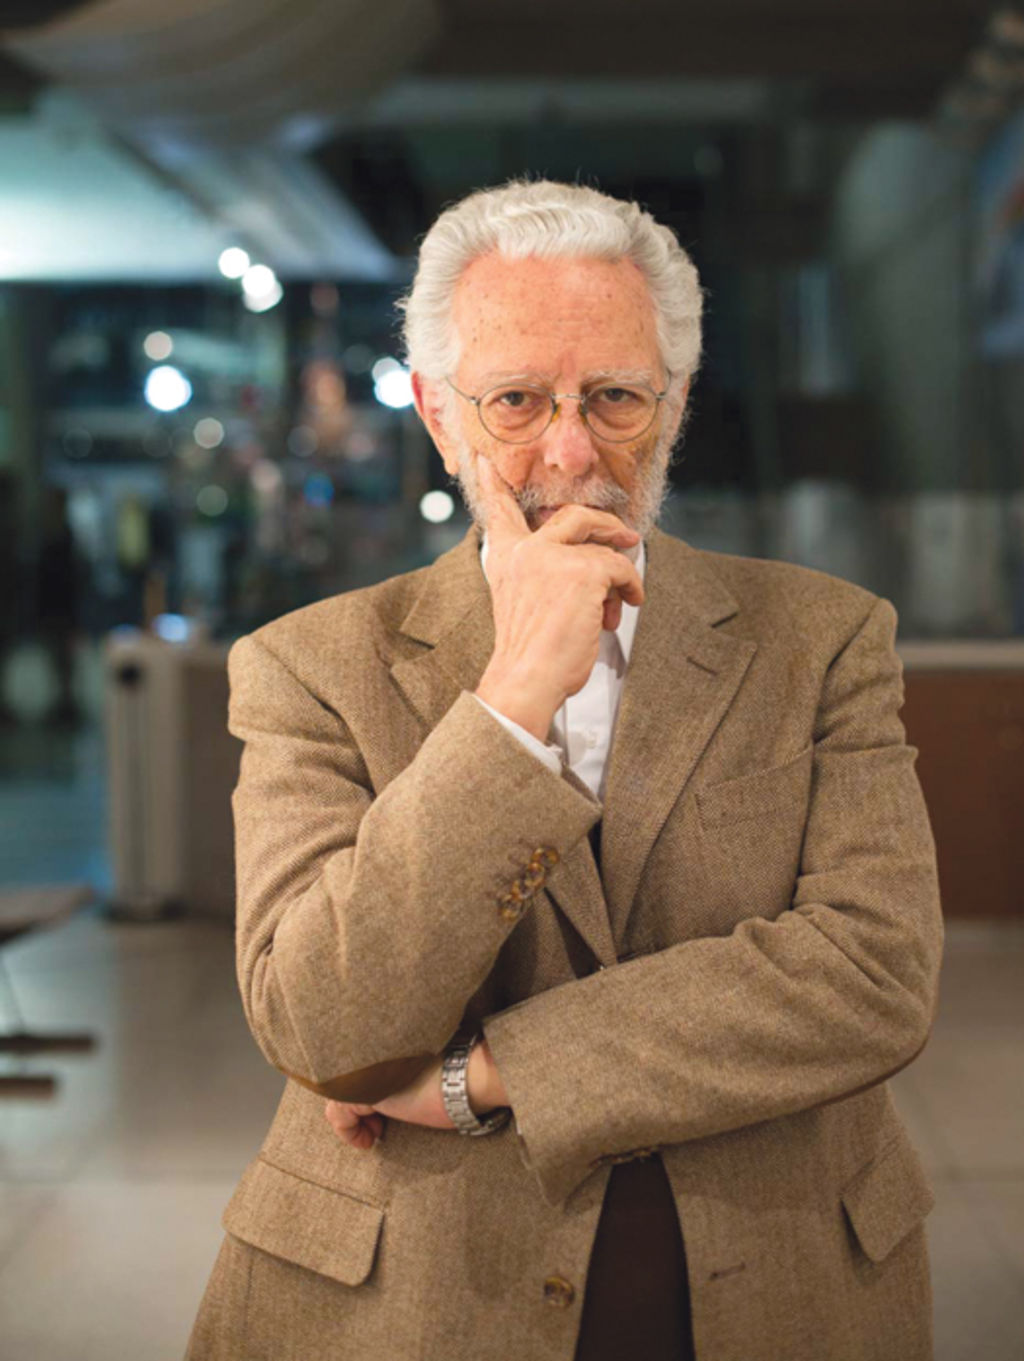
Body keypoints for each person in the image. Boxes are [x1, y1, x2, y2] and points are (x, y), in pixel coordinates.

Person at [186, 180, 942, 1361]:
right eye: (516, 401)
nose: (573, 452)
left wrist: (484, 1072)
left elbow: (873, 972)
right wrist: (511, 697)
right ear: (440, 415)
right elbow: (323, 1021)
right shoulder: (310, 667)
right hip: (419, 1296)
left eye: (616, 397)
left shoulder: (823, 638)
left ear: (674, 402)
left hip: (779, 1276)